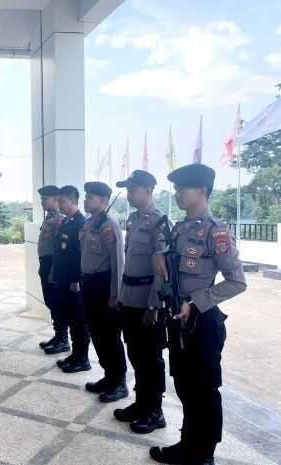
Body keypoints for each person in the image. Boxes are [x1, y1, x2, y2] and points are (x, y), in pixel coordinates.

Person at [149, 164, 246, 465]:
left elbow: (237, 282)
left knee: (204, 390)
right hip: (178, 320)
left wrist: (196, 301)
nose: (176, 194)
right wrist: (158, 255)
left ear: (201, 191)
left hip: (202, 322)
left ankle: (204, 453)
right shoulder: (179, 228)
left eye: (182, 188)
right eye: (176, 189)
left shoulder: (215, 232)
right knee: (185, 386)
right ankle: (187, 444)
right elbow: (170, 259)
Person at [114, 170, 167, 434]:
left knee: (151, 359)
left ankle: (155, 411)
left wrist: (154, 305)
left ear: (147, 191)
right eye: (128, 189)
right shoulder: (134, 219)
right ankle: (141, 403)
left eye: (133, 189)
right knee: (135, 353)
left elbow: (162, 268)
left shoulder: (159, 222)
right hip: (130, 299)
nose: (128, 194)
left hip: (147, 302)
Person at [80, 181, 128, 403]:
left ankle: (119, 382)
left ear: (103, 200)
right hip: (90, 284)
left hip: (104, 284)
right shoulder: (91, 223)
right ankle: (108, 376)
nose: (86, 200)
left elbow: (118, 260)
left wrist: (115, 293)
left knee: (109, 335)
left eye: (90, 196)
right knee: (97, 333)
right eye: (86, 196)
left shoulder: (109, 225)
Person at [48, 186, 91, 373]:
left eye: (62, 201)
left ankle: (83, 358)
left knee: (79, 320)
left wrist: (75, 279)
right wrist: (53, 272)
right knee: (69, 318)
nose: (59, 204)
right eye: (58, 201)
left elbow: (79, 256)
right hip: (62, 279)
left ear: (73, 200)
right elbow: (59, 252)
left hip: (73, 283)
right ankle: (75, 354)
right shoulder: (66, 221)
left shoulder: (81, 223)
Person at [36, 185, 65, 351]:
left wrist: (53, 270)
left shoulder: (58, 219)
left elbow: (58, 248)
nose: (42, 202)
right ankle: (58, 335)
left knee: (56, 301)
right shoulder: (49, 218)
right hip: (45, 263)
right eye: (41, 199)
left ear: (55, 200)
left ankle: (63, 340)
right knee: (50, 301)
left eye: (45, 199)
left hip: (53, 264)